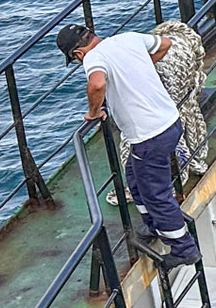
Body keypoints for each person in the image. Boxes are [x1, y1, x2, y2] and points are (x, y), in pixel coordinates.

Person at [58, 25, 199, 267]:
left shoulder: (93, 57)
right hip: (170, 123)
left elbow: (97, 84)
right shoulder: (128, 39)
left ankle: (184, 248)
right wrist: (138, 72)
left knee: (157, 194)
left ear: (77, 54)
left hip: (148, 137)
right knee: (134, 176)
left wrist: (93, 112)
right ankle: (153, 225)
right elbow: (164, 43)